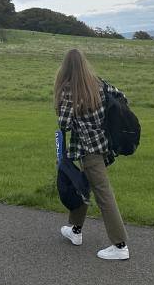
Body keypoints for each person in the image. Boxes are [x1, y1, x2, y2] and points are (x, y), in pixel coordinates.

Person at [54, 48, 130, 260]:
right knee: (83, 186)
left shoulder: (70, 90)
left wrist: (61, 104)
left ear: (66, 67)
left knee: (103, 194)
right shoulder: (98, 83)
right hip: (104, 145)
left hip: (89, 150)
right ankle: (75, 230)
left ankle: (120, 245)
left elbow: (64, 123)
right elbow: (122, 98)